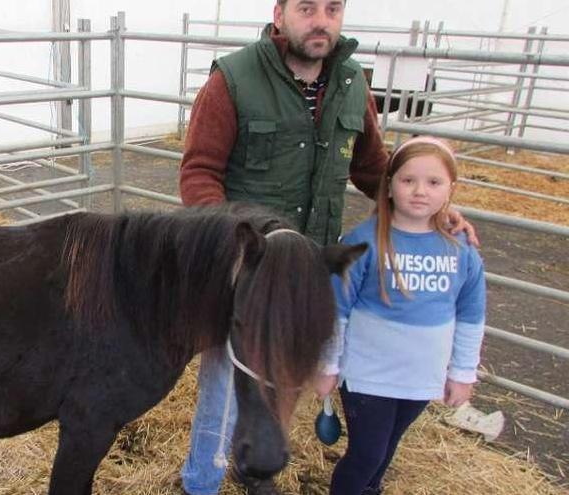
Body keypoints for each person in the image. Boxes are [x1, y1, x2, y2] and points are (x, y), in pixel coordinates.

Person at [177, 0, 478, 494]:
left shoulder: (351, 84)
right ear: (280, 15)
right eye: (307, 8)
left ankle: (255, 465)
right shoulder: (232, 80)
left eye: (333, 9)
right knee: (225, 378)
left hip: (311, 265)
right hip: (246, 264)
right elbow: (199, 171)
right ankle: (202, 479)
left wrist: (433, 209)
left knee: (289, 372)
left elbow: (371, 167)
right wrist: (228, 245)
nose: (321, 21)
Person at [313, 136, 487, 495]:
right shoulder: (362, 242)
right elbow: (336, 311)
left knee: (386, 450)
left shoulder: (461, 249)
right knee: (366, 453)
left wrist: (462, 373)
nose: (420, 191)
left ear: (450, 189)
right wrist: (328, 365)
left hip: (421, 374)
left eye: (434, 182)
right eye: (408, 180)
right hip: (368, 374)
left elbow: (471, 316)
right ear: (389, 184)